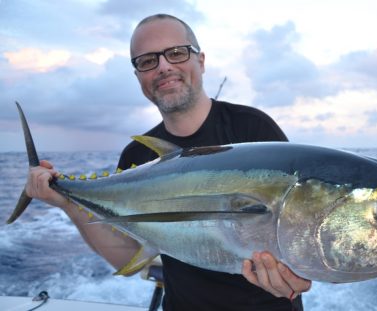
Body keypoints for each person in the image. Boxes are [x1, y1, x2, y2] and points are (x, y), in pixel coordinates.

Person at [24, 14, 312, 311]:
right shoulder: (137, 157)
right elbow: (131, 257)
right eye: (147, 61)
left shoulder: (254, 130)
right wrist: (67, 202)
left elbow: (299, 227)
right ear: (138, 77)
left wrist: (297, 275)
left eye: (176, 53)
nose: (164, 66)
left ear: (200, 61)